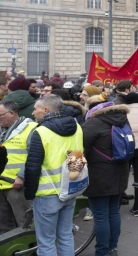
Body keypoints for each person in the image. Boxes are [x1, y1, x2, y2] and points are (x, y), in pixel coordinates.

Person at [24, 95, 83, 256]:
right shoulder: (77, 126)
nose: (32, 113)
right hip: (70, 188)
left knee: (46, 242)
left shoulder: (41, 132)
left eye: (35, 109)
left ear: (46, 110)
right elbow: (78, 155)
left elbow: (32, 167)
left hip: (46, 194)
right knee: (65, 235)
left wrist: (29, 193)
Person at [82, 97, 131, 256]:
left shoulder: (93, 123)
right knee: (113, 212)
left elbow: (81, 149)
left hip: (99, 175)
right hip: (120, 173)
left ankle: (102, 251)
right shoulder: (123, 120)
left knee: (101, 216)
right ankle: (112, 247)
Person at [0, 100, 37, 234]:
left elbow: (35, 156)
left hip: (17, 185)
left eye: (0, 115)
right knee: (3, 226)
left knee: (24, 224)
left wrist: (22, 176)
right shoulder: (1, 128)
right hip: (1, 182)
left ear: (11, 113)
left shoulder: (31, 128)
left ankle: (32, 252)